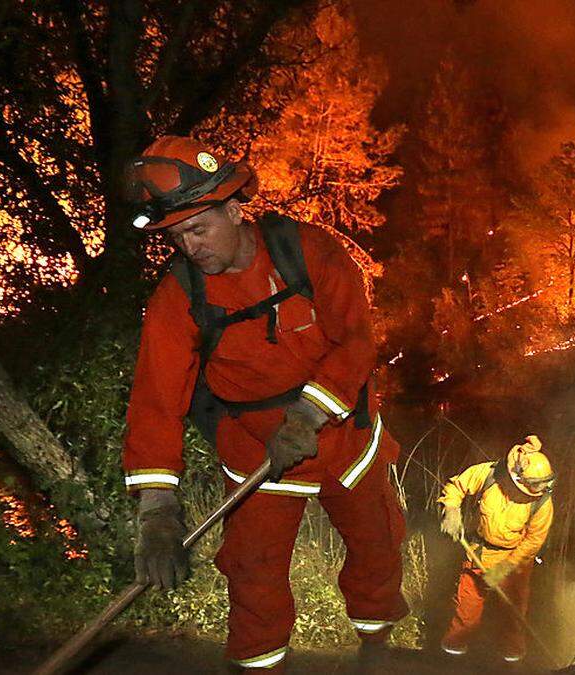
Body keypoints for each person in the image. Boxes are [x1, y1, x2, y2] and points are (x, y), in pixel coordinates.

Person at [121, 135, 407, 672]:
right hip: (255, 449)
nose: (190, 247)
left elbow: (355, 342)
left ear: (234, 209)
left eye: (198, 229)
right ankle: (260, 665)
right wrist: (157, 512)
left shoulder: (310, 252)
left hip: (344, 437)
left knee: (377, 547)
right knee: (251, 571)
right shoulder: (177, 298)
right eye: (177, 236)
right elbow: (156, 402)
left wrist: (306, 414)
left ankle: (377, 647)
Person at [437, 435, 555, 664]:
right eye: (534, 485)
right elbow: (457, 486)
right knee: (467, 609)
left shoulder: (542, 503)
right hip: (480, 552)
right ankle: (452, 653)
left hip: (516, 559)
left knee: (512, 614)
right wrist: (450, 508)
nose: (540, 489)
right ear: (517, 477)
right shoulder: (490, 474)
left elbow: (533, 541)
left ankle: (512, 661)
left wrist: (505, 568)